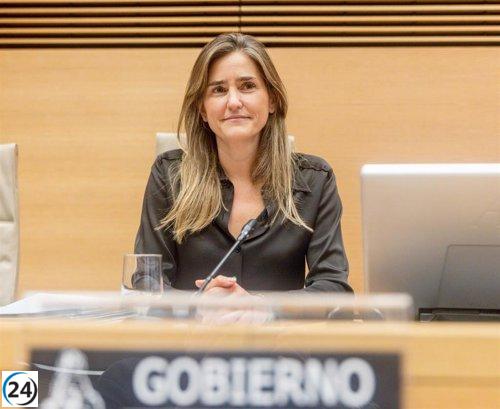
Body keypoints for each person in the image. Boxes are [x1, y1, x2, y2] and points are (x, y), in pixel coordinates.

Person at [135, 33, 352, 295]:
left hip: (275, 325)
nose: (234, 102)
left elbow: (333, 288)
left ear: (272, 100)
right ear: (202, 109)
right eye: (219, 90)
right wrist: (198, 305)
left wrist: (259, 307)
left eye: (247, 86)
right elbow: (147, 281)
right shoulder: (169, 175)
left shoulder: (315, 181)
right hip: (196, 323)